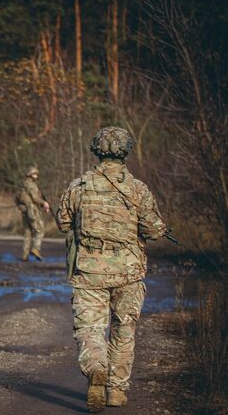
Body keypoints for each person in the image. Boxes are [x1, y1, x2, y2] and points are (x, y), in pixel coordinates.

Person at [56, 127, 167, 413]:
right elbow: (154, 230)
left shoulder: (79, 186)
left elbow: (63, 222)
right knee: (124, 329)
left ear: (96, 150)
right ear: (126, 151)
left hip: (89, 270)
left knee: (90, 328)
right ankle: (116, 391)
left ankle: (96, 366)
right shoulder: (138, 189)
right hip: (128, 272)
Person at [17, 167, 50, 261]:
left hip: (25, 212)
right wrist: (44, 203)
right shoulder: (31, 185)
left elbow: (16, 198)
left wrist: (20, 206)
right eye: (35, 174)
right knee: (40, 230)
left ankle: (25, 256)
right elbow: (35, 198)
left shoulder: (23, 184)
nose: (36, 176)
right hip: (32, 211)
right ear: (30, 175)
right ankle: (36, 249)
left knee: (27, 233)